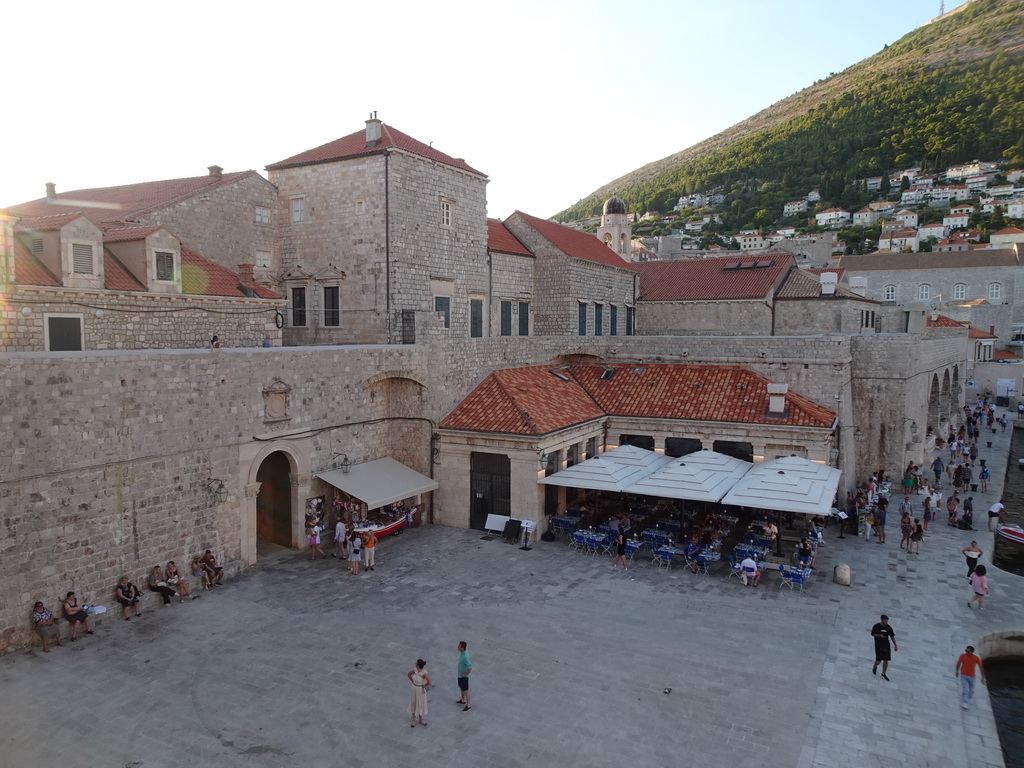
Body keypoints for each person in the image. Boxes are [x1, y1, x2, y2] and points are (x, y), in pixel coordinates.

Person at [955, 646, 986, 710]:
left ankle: (968, 699)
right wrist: (957, 671)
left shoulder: (976, 658)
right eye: (966, 650)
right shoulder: (962, 656)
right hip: (963, 675)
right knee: (965, 689)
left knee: (971, 690)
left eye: (968, 651)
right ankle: (965, 702)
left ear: (972, 652)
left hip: (972, 677)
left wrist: (983, 677)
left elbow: (981, 668)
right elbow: (958, 663)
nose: (966, 652)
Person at [870, 614, 897, 680]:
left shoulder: (888, 627)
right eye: (885, 621)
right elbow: (873, 634)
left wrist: (895, 645)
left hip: (886, 646)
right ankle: (875, 666)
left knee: (886, 660)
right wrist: (879, 635)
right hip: (879, 646)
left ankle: (883, 673)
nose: (886, 623)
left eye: (887, 621)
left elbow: (892, 636)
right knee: (878, 660)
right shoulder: (876, 626)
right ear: (881, 620)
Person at [408, 659, 431, 727]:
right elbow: (409, 674)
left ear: (418, 665)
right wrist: (413, 681)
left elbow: (429, 681)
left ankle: (421, 719)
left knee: (420, 703)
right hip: (414, 688)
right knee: (413, 702)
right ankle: (413, 720)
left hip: (420, 690)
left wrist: (424, 685)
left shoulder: (424, 673)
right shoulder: (415, 670)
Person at [456, 640, 472, 711]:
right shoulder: (463, 653)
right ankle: (463, 700)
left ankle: (468, 705)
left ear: (462, 648)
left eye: (459, 646)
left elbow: (470, 667)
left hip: (463, 677)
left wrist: (465, 674)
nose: (457, 647)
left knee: (466, 690)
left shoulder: (465, 656)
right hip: (460, 675)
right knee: (462, 688)